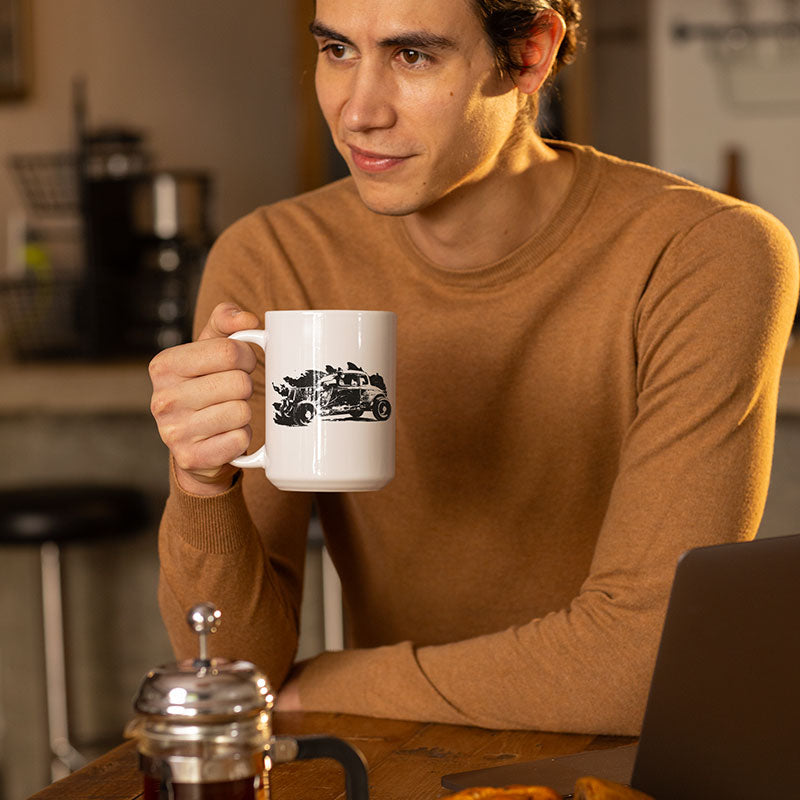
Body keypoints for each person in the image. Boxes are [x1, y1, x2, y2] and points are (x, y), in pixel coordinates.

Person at [148, 0, 799, 735]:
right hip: (397, 757)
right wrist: (201, 484)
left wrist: (322, 684)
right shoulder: (274, 256)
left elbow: (640, 666)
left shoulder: (703, 253)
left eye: (412, 56)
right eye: (337, 50)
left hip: (628, 770)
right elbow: (235, 667)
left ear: (529, 53)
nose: (358, 112)